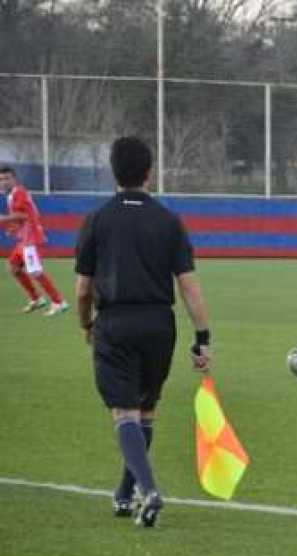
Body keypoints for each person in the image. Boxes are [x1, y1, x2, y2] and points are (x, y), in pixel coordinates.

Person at [75, 136, 213, 527]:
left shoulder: (97, 219)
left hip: (115, 323)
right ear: (149, 173)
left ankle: (149, 490)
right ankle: (123, 494)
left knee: (124, 412)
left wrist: (87, 324)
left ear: (113, 172)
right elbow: (189, 285)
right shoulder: (168, 221)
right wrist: (202, 339)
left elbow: (83, 288)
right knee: (145, 412)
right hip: (159, 325)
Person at [0, 166, 69, 316]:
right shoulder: (12, 194)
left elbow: (24, 215)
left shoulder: (19, 193)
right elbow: (27, 214)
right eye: (1, 179)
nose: (3, 182)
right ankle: (36, 299)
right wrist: (13, 228)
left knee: (35, 272)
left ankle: (59, 302)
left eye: (7, 178)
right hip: (24, 238)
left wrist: (4, 219)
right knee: (13, 267)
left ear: (14, 179)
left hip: (30, 238)